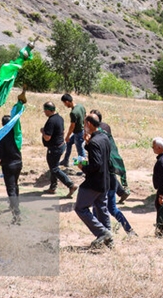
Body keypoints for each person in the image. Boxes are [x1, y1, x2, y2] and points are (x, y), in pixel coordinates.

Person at [74, 115, 113, 248]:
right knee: (102, 209)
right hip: (105, 181)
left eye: (85, 123)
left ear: (89, 124)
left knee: (80, 208)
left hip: (94, 182)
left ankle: (102, 232)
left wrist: (83, 167)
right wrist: (88, 144)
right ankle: (110, 240)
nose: (84, 126)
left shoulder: (95, 142)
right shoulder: (104, 138)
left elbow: (96, 164)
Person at [40, 102, 77, 198]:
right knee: (53, 167)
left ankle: (71, 185)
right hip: (60, 145)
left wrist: (43, 131)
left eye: (45, 110)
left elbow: (47, 137)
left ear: (48, 110)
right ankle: (53, 187)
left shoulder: (51, 121)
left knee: (54, 168)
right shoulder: (59, 118)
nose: (44, 112)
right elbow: (63, 131)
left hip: (54, 148)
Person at [0, 114, 22, 224]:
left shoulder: (2, 137)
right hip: (18, 163)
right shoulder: (16, 135)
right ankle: (15, 205)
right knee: (15, 185)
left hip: (8, 165)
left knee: (10, 189)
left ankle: (17, 214)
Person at [60, 94, 86, 167]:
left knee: (81, 152)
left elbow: (72, 126)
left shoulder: (73, 113)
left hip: (78, 133)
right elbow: (85, 117)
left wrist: (67, 136)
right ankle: (66, 160)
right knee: (69, 143)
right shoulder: (80, 106)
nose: (65, 105)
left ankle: (85, 169)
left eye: (64, 103)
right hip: (82, 131)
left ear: (67, 102)